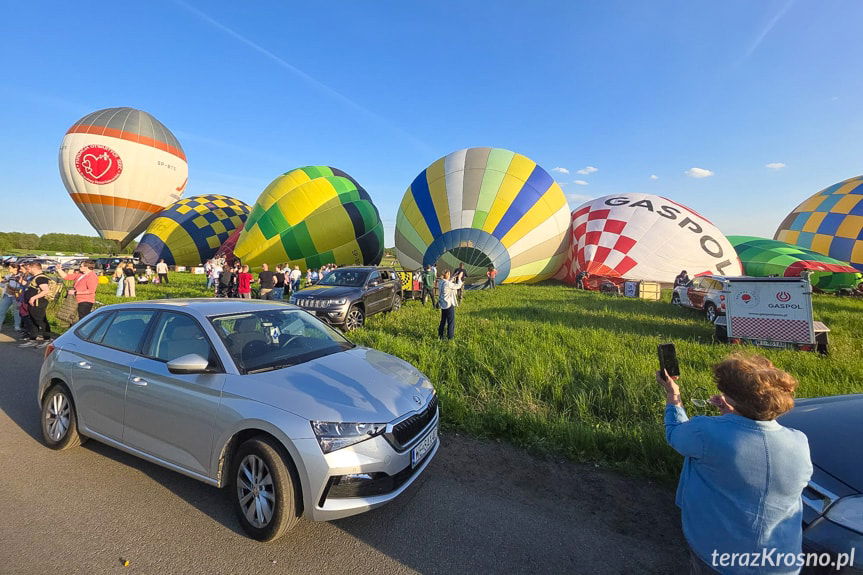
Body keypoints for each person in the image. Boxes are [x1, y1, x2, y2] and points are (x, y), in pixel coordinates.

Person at [656, 354, 812, 574]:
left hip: (719, 555)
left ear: (732, 398)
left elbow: (675, 433)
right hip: (781, 561)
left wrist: (674, 396)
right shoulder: (799, 441)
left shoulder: (706, 432)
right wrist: (736, 413)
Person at [18, 262, 53, 348]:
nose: (28, 270)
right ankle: (33, 339)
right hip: (32, 303)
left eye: (29, 268)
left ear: (34, 268)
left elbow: (46, 290)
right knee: (33, 320)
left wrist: (33, 298)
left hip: (38, 303)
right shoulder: (34, 277)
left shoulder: (41, 278)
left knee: (40, 321)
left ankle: (47, 339)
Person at [437, 270, 462, 340]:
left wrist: (452, 278)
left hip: (442, 304)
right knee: (451, 322)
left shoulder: (440, 282)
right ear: (447, 275)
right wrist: (459, 278)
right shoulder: (448, 284)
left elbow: (446, 283)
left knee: (443, 321)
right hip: (449, 304)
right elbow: (458, 286)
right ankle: (450, 337)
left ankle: (440, 335)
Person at [0, 265, 24, 333]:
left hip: (17, 297)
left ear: (15, 268)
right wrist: (3, 283)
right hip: (7, 295)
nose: (8, 269)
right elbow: (2, 284)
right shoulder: (9, 276)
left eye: (10, 268)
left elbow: (23, 286)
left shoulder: (21, 276)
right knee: (1, 310)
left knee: (16, 312)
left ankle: (17, 326)